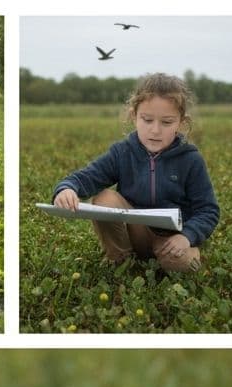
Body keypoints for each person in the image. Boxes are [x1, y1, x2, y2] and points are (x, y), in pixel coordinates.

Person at [52, 72, 219, 273]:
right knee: (104, 197)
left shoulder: (191, 160)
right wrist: (67, 188)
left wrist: (187, 237)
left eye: (166, 122)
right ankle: (120, 259)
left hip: (173, 240)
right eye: (147, 120)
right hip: (136, 232)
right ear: (134, 116)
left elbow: (208, 211)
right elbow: (86, 177)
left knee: (181, 265)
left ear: (181, 122)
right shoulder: (122, 152)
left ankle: (182, 255)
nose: (155, 130)